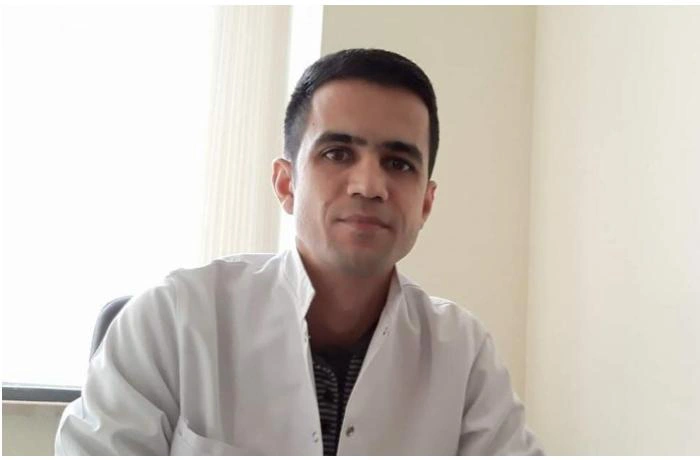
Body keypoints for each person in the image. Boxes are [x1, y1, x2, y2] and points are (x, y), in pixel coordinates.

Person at [55, 48, 543, 455]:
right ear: (286, 184)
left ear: (426, 204)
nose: (370, 185)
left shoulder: (463, 353)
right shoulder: (172, 319)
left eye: (398, 163)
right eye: (337, 153)